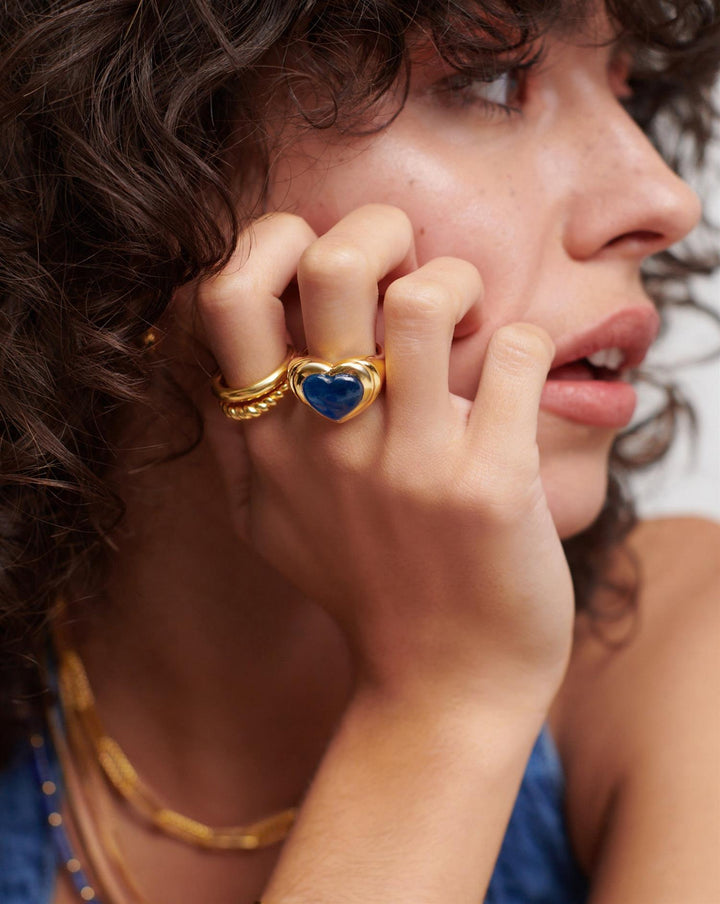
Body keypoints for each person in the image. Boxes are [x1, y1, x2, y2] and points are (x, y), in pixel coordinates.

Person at [1, 0, 719, 902]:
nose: (664, 200)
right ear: (131, 169)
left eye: (632, 89)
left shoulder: (684, 645)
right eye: (487, 76)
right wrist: (439, 703)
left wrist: (448, 694)